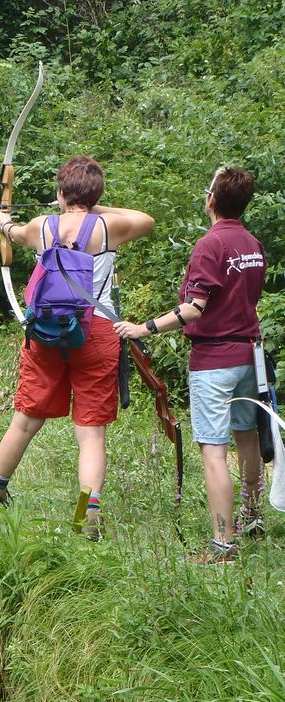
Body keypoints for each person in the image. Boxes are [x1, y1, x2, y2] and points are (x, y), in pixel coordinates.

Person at [0, 156, 155, 539]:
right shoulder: (109, 226)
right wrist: (95, 205)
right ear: (96, 195)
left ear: (61, 192)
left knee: (27, 418)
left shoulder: (40, 226)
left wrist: (3, 220)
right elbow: (146, 219)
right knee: (91, 432)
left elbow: (11, 232)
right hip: (96, 332)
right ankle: (87, 515)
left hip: (46, 331)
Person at [114, 166, 266, 564]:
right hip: (250, 355)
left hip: (215, 359)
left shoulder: (210, 245)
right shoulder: (251, 242)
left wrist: (142, 328)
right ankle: (251, 518)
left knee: (214, 451)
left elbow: (194, 308)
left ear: (211, 199)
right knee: (247, 435)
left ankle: (222, 545)